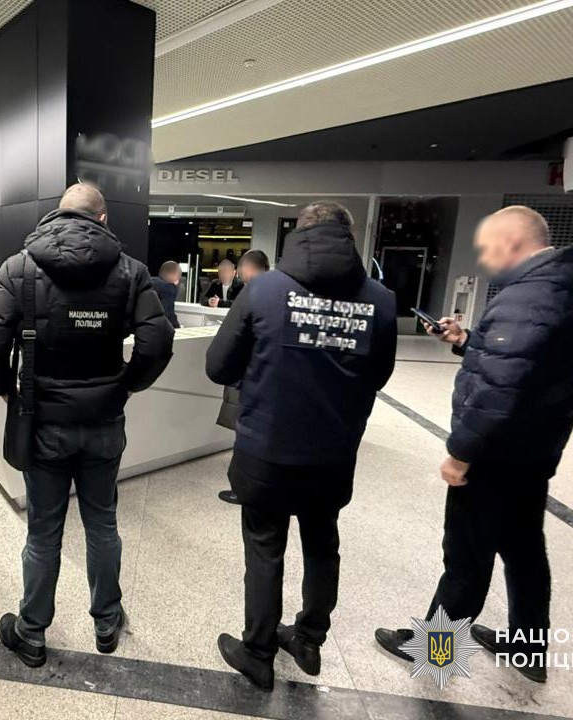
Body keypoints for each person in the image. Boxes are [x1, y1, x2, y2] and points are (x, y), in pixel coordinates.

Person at [374, 206, 573, 684]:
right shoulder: (562, 289)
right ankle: (529, 649)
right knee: (524, 553)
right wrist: (466, 340)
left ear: (512, 241)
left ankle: (436, 654)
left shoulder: (530, 296)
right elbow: (523, 362)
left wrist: (462, 453)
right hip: (532, 451)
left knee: (466, 556)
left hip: (496, 455)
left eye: (488, 247)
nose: (484, 258)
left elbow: (500, 388)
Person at [0, 183, 174, 668]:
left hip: (43, 423)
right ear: (103, 220)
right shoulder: (131, 272)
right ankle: (107, 622)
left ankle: (31, 632)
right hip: (104, 422)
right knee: (102, 523)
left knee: (44, 532)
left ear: (57, 215)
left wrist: (3, 390)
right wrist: (127, 385)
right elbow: (158, 341)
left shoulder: (19, 268)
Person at [206, 201, 397, 690]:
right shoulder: (380, 300)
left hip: (266, 450)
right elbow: (379, 375)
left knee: (264, 546)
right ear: (349, 237)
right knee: (322, 544)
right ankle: (309, 640)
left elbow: (218, 366)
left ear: (300, 234)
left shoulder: (263, 290)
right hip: (333, 453)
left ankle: (258, 652)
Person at [215, 249, 271, 505]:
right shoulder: (282, 293)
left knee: (245, 434)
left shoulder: (252, 294)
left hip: (248, 378)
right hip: (270, 381)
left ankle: (243, 488)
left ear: (244, 270)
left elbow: (232, 340)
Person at [152, 260, 181, 328]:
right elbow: (166, 314)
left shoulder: (147, 281)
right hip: (154, 329)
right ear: (175, 275)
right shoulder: (169, 288)